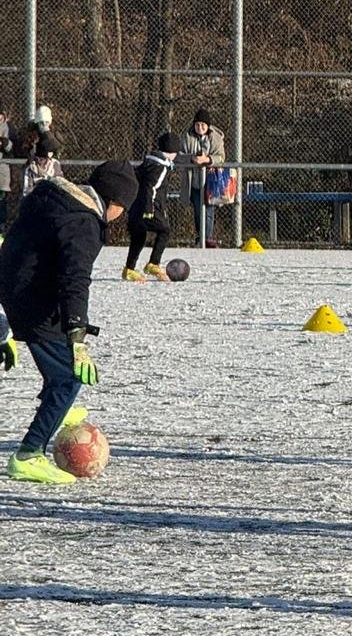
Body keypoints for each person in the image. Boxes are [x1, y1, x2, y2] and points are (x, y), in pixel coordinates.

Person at [0, 160, 137, 484]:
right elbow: (75, 280)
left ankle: (58, 413)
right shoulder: (84, 224)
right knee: (67, 379)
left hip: (13, 287)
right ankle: (29, 455)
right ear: (116, 203)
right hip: (32, 300)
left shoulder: (53, 195)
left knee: (59, 368)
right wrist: (78, 337)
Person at [124, 133, 181, 282]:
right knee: (165, 230)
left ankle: (129, 269)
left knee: (139, 235)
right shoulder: (161, 167)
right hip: (149, 206)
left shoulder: (149, 162)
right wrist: (149, 209)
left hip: (135, 205)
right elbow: (151, 188)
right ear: (173, 152)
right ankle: (153, 263)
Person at [181, 108, 227, 247]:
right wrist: (192, 158)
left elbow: (221, 157)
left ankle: (207, 237)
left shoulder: (215, 138)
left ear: (208, 126)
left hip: (211, 181)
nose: (200, 128)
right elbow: (180, 155)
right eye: (197, 124)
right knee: (197, 210)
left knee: (209, 209)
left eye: (203, 125)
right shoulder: (187, 136)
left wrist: (207, 159)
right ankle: (200, 236)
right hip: (194, 181)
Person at [0, 109, 13, 233]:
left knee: (1, 203)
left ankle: (1, 230)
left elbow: (13, 148)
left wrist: (5, 143)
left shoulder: (8, 128)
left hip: (1, 174)